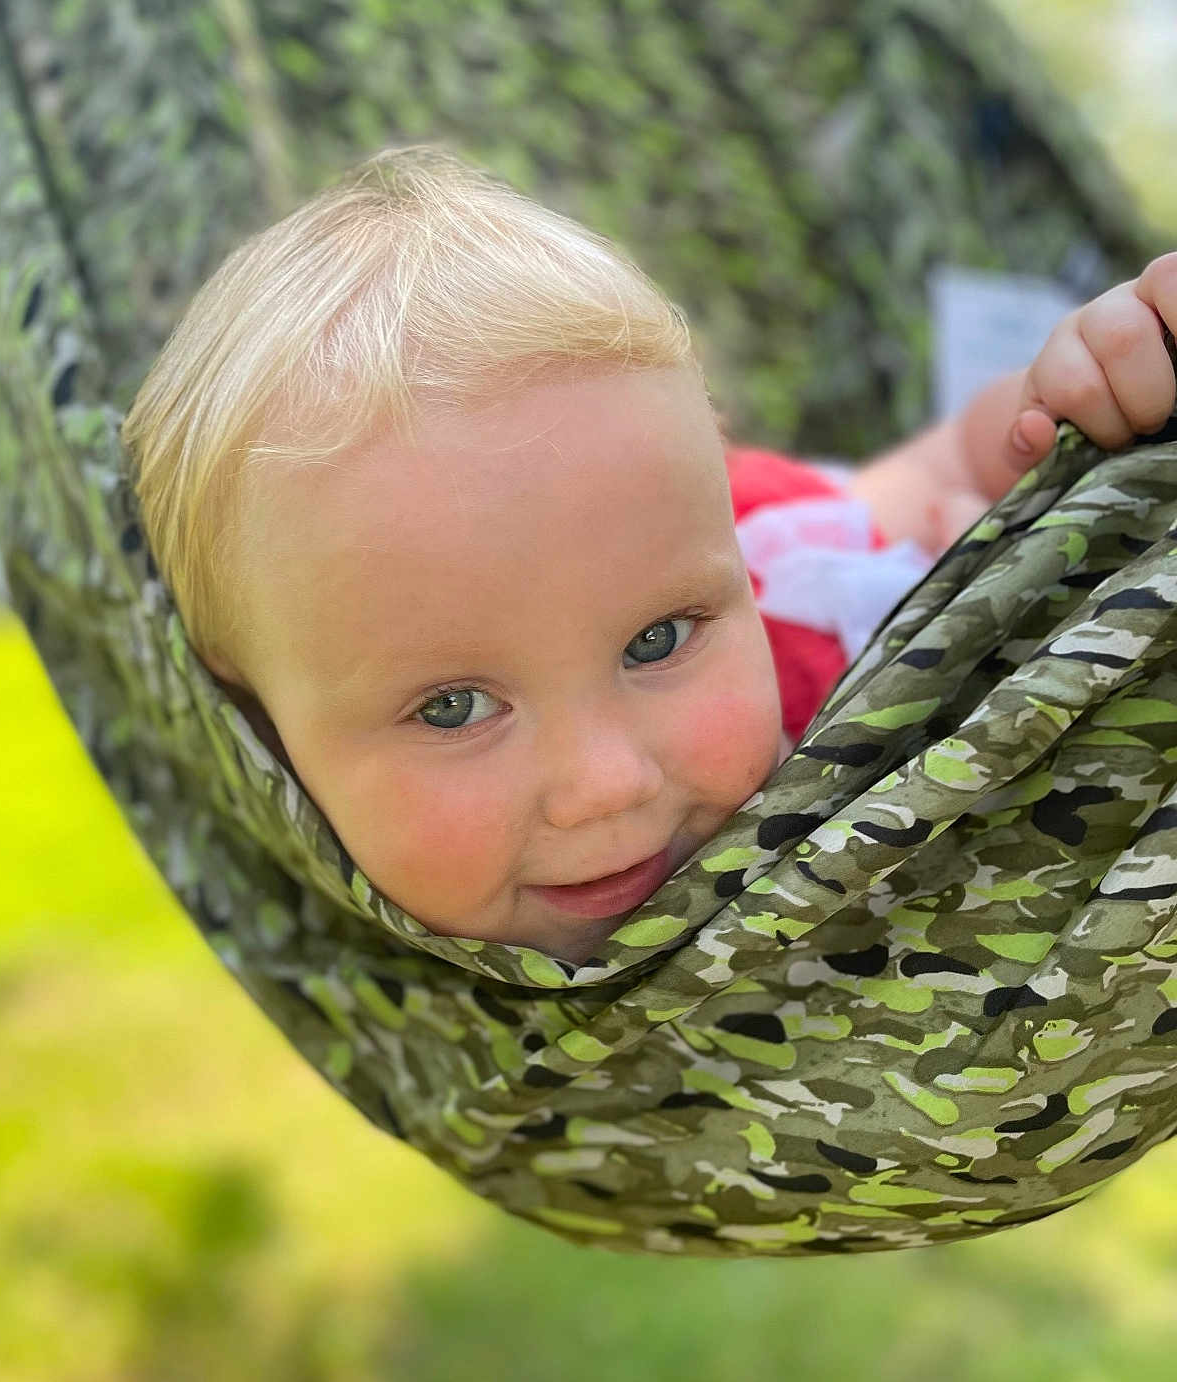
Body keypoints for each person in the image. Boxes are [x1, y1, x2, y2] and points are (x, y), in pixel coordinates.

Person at [122, 144, 1177, 963]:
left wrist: (1082, 393)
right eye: (451, 707)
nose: (607, 786)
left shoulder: (717, 535)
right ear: (256, 722)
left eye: (659, 641)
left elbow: (926, 474)